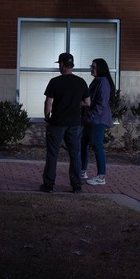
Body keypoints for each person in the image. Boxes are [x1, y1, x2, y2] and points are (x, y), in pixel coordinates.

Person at [40, 53, 91, 194]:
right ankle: (76, 185)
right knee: (75, 154)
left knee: (52, 154)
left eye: (59, 64)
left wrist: (47, 117)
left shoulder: (55, 82)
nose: (59, 66)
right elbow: (87, 102)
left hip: (57, 123)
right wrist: (75, 103)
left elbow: (48, 102)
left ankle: (49, 184)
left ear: (62, 64)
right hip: (74, 124)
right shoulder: (81, 82)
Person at [80, 58, 115, 186]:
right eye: (91, 66)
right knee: (83, 144)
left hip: (97, 121)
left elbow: (101, 104)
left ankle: (101, 177)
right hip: (91, 120)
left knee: (97, 147)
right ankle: (82, 171)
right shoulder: (97, 81)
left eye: (94, 67)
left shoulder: (103, 82)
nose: (91, 68)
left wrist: (91, 117)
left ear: (100, 68)